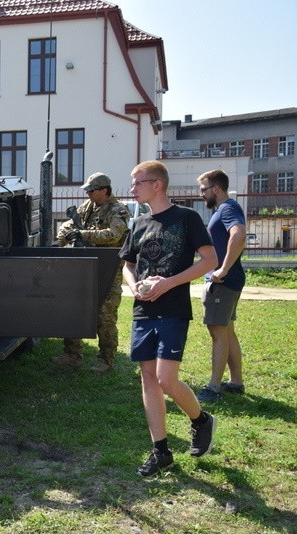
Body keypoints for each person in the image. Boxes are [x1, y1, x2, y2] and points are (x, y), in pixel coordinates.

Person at [119, 160, 219, 477]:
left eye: (137, 183)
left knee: (166, 379)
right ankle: (161, 451)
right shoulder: (139, 224)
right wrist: (134, 285)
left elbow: (210, 260)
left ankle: (201, 420)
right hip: (142, 311)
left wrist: (169, 283)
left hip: (173, 309)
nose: (132, 189)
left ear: (156, 184)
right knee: (148, 379)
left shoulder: (186, 218)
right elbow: (128, 264)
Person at [52, 172, 130, 372]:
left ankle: (106, 358)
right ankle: (72, 354)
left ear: (104, 191)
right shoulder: (87, 207)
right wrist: (59, 242)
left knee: (105, 315)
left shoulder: (118, 210)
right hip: (83, 266)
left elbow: (113, 235)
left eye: (91, 190)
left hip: (108, 268)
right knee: (73, 309)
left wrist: (83, 233)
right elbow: (69, 225)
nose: (87, 194)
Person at [195, 170, 247, 402]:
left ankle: (213, 387)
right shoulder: (224, 209)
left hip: (223, 281)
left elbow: (239, 235)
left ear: (216, 188)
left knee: (217, 332)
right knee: (226, 330)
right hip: (229, 279)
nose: (201, 194)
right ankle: (235, 382)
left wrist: (222, 269)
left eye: (203, 189)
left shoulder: (228, 209)